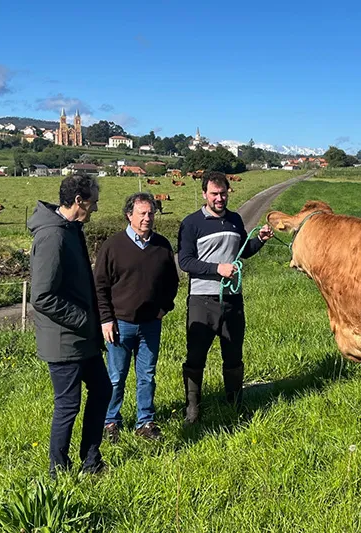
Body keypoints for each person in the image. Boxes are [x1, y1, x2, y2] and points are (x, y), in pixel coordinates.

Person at [27, 174, 111, 477]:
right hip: (64, 340)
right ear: (79, 200)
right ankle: (58, 472)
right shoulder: (52, 236)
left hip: (82, 339)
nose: (96, 209)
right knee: (68, 406)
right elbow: (43, 296)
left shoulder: (71, 230)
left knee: (102, 390)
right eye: (94, 202)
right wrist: (85, 320)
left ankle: (92, 462)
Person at [177, 171, 273, 423]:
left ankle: (234, 404)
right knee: (196, 356)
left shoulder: (235, 220)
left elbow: (242, 251)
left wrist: (259, 241)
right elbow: (185, 261)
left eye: (223, 193)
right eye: (214, 194)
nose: (219, 198)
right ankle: (193, 409)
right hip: (202, 300)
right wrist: (216, 268)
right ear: (204, 194)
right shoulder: (191, 223)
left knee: (233, 355)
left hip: (232, 300)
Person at [94, 192, 180, 442]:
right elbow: (99, 285)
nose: (147, 218)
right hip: (120, 324)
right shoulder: (113, 246)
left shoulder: (162, 245)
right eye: (142, 213)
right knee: (115, 377)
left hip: (151, 324)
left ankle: (145, 422)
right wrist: (106, 319)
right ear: (129, 215)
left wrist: (165, 307)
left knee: (147, 375)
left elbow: (172, 282)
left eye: (151, 213)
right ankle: (111, 422)